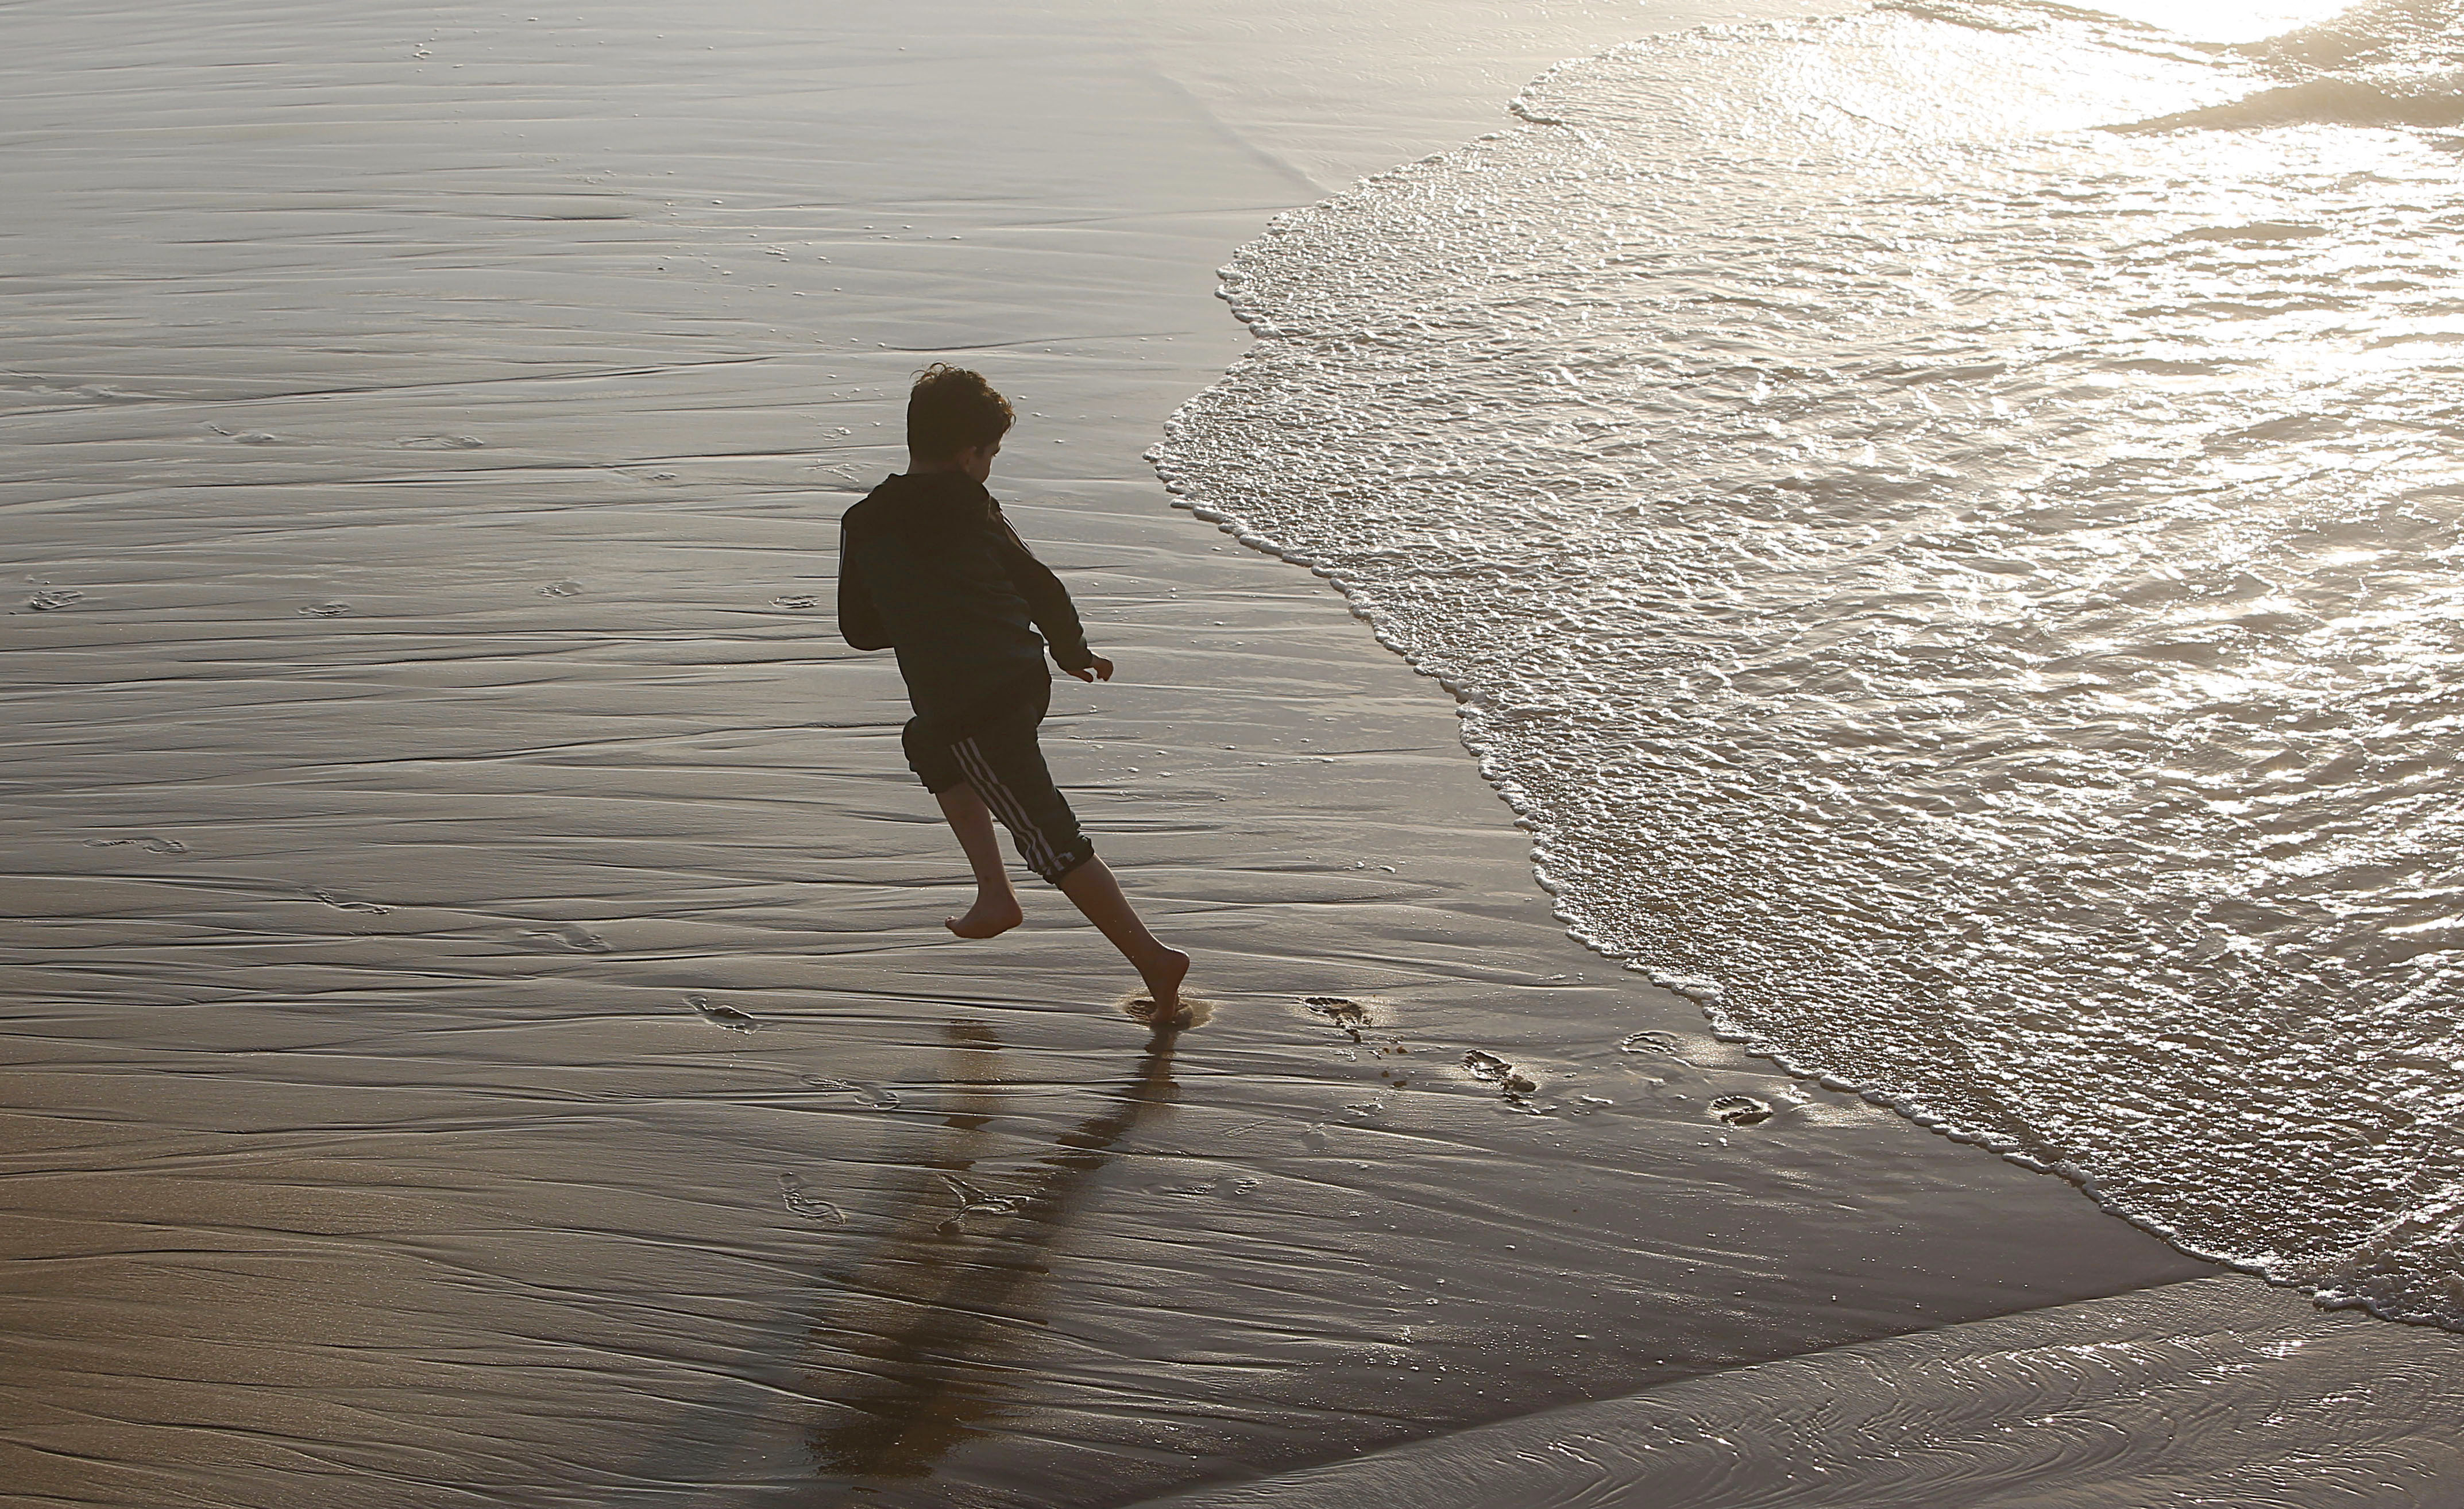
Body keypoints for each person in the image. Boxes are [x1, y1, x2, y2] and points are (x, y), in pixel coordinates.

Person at [837, 365, 1189, 1018]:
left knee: (1045, 832)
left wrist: (917, 615)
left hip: (976, 701)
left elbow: (857, 629)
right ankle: (996, 894)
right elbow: (1041, 584)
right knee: (929, 745)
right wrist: (1074, 652)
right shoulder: (972, 508)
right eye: (992, 454)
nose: (990, 467)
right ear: (969, 453)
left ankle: (1154, 959)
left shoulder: (864, 521)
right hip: (1019, 677)